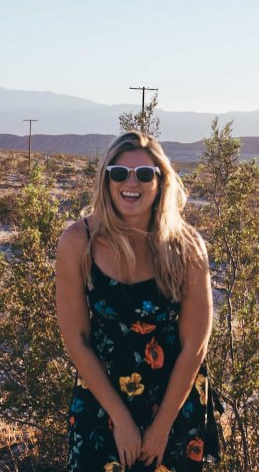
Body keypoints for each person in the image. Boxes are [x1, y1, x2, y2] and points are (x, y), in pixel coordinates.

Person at [56, 131, 215, 472]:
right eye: (119, 173)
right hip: (102, 397)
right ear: (106, 179)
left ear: (161, 182)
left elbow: (195, 347)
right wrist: (121, 419)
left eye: (144, 174)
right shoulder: (78, 242)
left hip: (173, 401)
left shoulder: (187, 248)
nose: (132, 182)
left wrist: (160, 429)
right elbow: (77, 340)